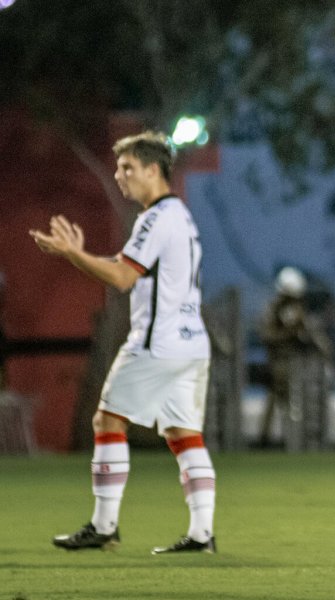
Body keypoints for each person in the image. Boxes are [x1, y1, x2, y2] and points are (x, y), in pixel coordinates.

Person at [31, 131, 217, 553]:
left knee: (107, 421)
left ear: (153, 170)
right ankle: (202, 534)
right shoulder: (179, 215)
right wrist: (78, 252)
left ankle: (103, 526)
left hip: (158, 344)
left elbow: (121, 277)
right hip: (191, 344)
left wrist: (70, 254)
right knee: (184, 435)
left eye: (128, 167)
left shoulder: (154, 217)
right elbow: (125, 264)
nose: (119, 175)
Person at [259, 266, 333, 449]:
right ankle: (266, 441)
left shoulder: (299, 310)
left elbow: (313, 336)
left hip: (299, 364)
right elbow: (268, 335)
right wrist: (291, 333)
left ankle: (296, 442)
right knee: (280, 402)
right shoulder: (273, 309)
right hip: (279, 362)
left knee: (295, 405)